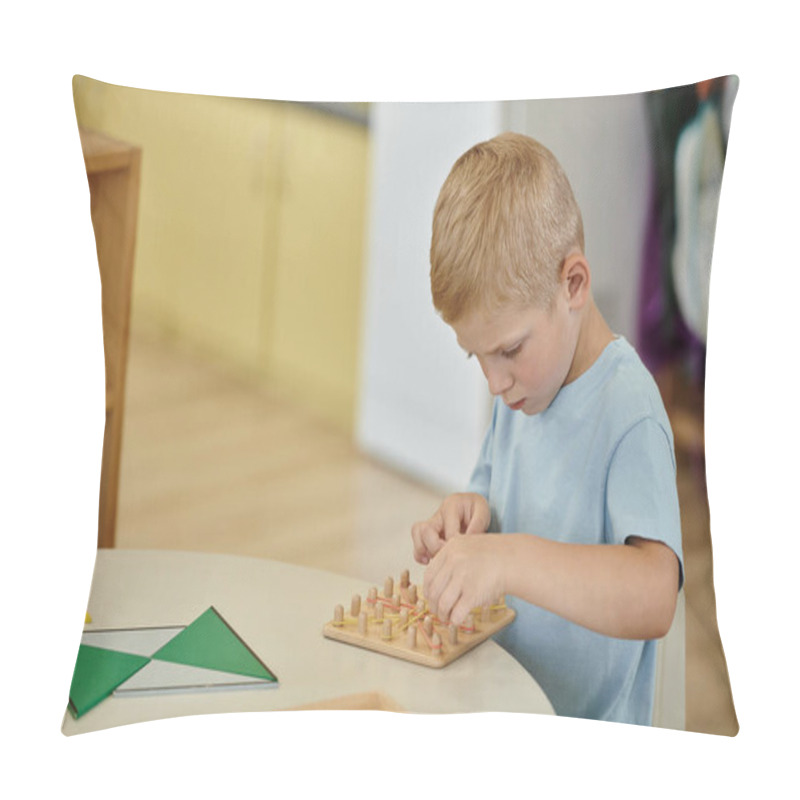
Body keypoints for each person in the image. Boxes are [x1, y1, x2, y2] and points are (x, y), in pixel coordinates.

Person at [411, 132, 683, 725]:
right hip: (504, 705)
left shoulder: (628, 410)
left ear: (573, 284)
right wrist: (471, 516)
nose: (494, 383)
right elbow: (495, 501)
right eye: (475, 357)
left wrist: (507, 560)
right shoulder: (524, 391)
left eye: (507, 349)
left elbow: (656, 594)